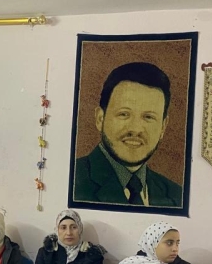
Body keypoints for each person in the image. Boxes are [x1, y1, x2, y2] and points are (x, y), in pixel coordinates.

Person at [73, 62, 182, 207]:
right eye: (124, 114)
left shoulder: (176, 195)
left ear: (163, 127)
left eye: (148, 117)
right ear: (100, 118)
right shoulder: (72, 180)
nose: (135, 129)